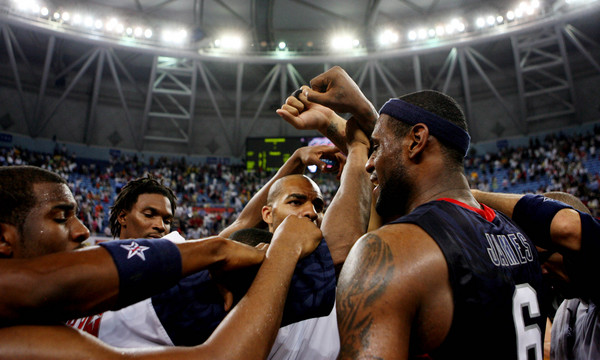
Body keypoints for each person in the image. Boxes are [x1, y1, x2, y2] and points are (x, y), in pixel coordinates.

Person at [305, 66, 548, 359]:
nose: (370, 164)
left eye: (378, 147)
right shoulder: (519, 237)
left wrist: (357, 142)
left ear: (417, 140)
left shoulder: (396, 249)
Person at [0, 165, 324, 359]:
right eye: (60, 217)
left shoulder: (178, 254)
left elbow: (237, 227)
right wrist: (283, 250)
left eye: (167, 218)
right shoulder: (22, 340)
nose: (82, 229)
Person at [70, 169, 339, 348]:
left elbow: (242, 223)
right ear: (122, 217)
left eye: (166, 219)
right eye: (149, 214)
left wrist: (295, 163)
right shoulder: (80, 272)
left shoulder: (179, 255)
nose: (160, 226)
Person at [471, 190, 600, 360]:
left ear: (572, 245)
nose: (542, 270)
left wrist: (471, 195)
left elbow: (566, 226)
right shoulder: (566, 312)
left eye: (544, 257)